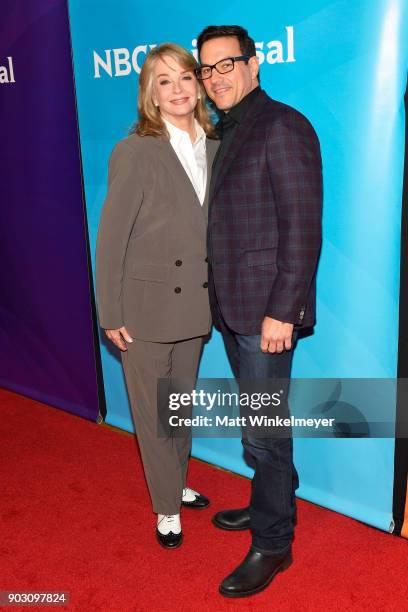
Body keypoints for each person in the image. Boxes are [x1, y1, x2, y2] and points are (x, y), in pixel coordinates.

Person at [196, 25, 323, 596]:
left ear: (254, 65)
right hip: (235, 306)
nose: (215, 78)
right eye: (207, 70)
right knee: (258, 423)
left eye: (227, 65)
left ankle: (274, 542)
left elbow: (302, 228)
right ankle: (271, 499)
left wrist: (284, 310)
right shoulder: (226, 131)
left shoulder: (283, 125)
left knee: (267, 430)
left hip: (266, 312)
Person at [95, 43, 218, 550]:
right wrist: (111, 311)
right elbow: (111, 238)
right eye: (163, 81)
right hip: (143, 309)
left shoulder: (215, 144)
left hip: (195, 303)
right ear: (150, 92)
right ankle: (166, 508)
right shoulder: (135, 149)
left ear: (199, 84)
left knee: (180, 407)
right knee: (153, 415)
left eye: (185, 78)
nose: (177, 90)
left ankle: (177, 482)